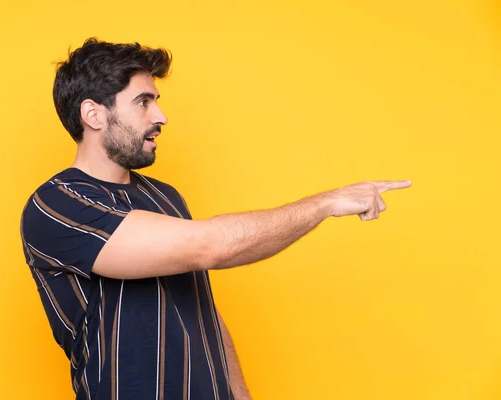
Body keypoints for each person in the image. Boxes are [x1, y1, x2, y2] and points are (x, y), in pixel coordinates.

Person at [20, 37, 411, 400]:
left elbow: (199, 304)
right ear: (93, 114)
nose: (161, 116)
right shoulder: (57, 205)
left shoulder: (164, 196)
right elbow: (209, 247)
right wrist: (327, 202)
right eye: (143, 101)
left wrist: (238, 393)